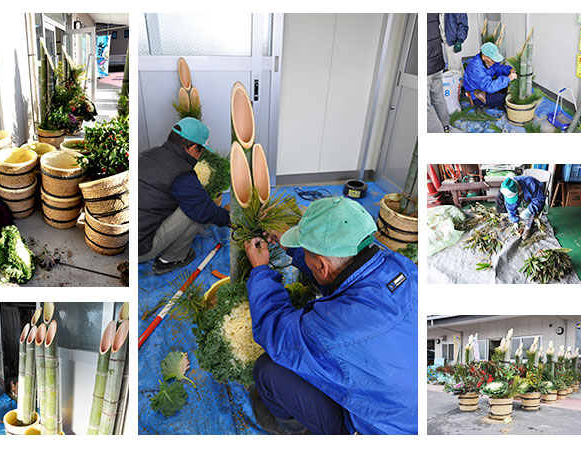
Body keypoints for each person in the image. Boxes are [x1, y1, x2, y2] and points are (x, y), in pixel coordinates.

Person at [243, 197, 418, 435]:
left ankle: (293, 429)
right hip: (413, 416)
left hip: (376, 432)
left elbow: (273, 329)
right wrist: (295, 248)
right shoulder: (401, 266)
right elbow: (343, 273)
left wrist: (261, 270)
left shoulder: (332, 326)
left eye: (307, 254)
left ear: (322, 265)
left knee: (268, 370)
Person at [138, 117, 229, 273]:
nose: (200, 156)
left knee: (189, 202)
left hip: (125, 238)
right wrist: (230, 219)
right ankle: (170, 260)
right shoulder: (181, 174)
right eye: (201, 151)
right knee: (194, 211)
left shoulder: (147, 154)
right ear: (192, 148)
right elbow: (204, 209)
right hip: (141, 248)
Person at [463, 42, 517, 109]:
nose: (494, 62)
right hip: (477, 95)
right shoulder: (475, 69)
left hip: (484, 87)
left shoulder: (488, 61)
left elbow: (498, 68)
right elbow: (489, 87)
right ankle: (478, 104)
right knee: (506, 98)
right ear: (484, 56)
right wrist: (508, 79)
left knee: (504, 86)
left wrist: (509, 70)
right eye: (493, 60)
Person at [497, 175, 546, 240]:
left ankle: (529, 227)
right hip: (522, 193)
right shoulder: (509, 189)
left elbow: (539, 200)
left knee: (534, 211)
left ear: (519, 187)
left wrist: (529, 210)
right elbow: (510, 206)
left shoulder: (531, 183)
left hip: (536, 196)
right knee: (499, 195)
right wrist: (514, 220)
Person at [427, 13, 451, 133]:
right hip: (437, 61)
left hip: (427, 67)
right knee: (438, 97)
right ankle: (446, 126)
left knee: (425, 107)